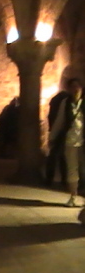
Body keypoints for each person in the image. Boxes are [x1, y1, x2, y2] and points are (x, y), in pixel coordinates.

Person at [49, 78, 85, 207]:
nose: (75, 90)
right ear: (69, 90)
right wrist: (52, 137)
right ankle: (73, 196)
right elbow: (60, 121)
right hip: (70, 141)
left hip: (83, 141)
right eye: (73, 87)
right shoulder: (66, 103)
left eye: (78, 87)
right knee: (72, 169)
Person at [45, 89, 69, 187]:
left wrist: (52, 132)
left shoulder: (57, 101)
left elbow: (52, 117)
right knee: (63, 158)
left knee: (54, 156)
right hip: (64, 133)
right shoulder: (65, 102)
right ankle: (64, 179)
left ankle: (49, 179)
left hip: (59, 132)